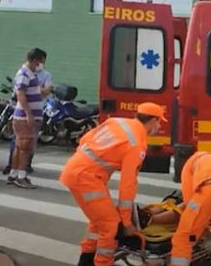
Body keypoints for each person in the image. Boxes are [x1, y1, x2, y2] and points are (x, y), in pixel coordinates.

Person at [60, 102, 165, 266]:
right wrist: (127, 221)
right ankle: (102, 262)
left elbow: (85, 140)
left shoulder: (117, 121)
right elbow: (128, 184)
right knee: (110, 225)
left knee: (99, 223)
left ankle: (86, 260)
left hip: (77, 171)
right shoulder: (137, 143)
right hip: (87, 178)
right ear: (153, 120)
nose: (158, 126)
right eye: (159, 122)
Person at [7, 48, 49, 188]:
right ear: (35, 60)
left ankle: (13, 174)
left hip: (25, 117)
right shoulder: (24, 74)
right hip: (24, 119)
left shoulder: (31, 74)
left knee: (20, 147)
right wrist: (29, 115)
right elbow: (21, 95)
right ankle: (21, 177)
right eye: (41, 62)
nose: (41, 65)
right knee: (25, 148)